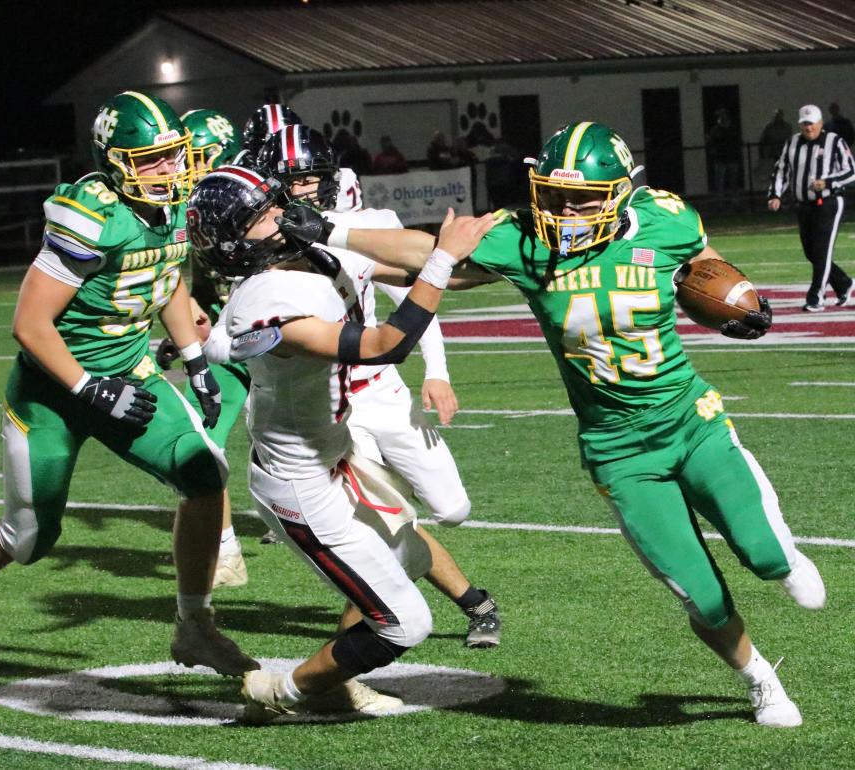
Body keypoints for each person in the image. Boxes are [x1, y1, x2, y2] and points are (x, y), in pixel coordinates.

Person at [283, 121, 827, 728]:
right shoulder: (523, 239)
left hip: (690, 421)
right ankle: (762, 680)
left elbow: (706, 263)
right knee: (698, 592)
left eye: (583, 198)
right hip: (618, 450)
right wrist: (328, 228)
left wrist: (735, 299)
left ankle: (787, 558)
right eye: (555, 195)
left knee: (770, 557)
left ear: (621, 192)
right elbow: (421, 251)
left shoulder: (665, 218)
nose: (566, 211)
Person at [0, 91, 258, 678]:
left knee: (205, 476)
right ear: (117, 162)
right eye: (149, 159)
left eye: (172, 155)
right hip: (53, 390)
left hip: (131, 374)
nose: (167, 170)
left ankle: (195, 626)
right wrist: (86, 389)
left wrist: (195, 359)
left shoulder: (175, 205)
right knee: (28, 536)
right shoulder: (93, 214)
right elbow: (29, 323)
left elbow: (166, 277)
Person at [186, 165, 493, 721]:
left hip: (335, 456)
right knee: (407, 622)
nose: (280, 215)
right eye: (260, 216)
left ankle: (333, 680)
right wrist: (445, 259)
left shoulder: (308, 255)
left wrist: (521, 261)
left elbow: (422, 259)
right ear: (232, 242)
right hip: (299, 485)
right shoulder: (264, 299)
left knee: (407, 550)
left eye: (274, 203)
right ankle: (282, 692)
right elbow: (383, 343)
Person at [258, 123, 502, 648]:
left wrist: (509, 265)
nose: (305, 189)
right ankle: (379, 638)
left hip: (380, 386)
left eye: (313, 178)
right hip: (330, 410)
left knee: (452, 509)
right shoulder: (256, 248)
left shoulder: (357, 229)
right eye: (292, 180)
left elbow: (424, 281)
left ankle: (449, 602)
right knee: (382, 528)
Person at [154, 108, 250, 589]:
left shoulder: (252, 201)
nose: (177, 166)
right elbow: (198, 283)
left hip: (279, 343)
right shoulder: (182, 206)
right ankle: (227, 550)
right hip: (229, 347)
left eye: (186, 155)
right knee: (200, 441)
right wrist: (186, 332)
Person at [768, 104, 855, 311]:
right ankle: (844, 283)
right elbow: (781, 170)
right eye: (805, 124)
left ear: (820, 123)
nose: (809, 128)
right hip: (804, 205)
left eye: (812, 124)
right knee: (812, 253)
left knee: (822, 251)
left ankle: (816, 297)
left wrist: (829, 182)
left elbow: (851, 171)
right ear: (800, 125)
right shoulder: (792, 143)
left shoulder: (835, 142)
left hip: (829, 202)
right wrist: (775, 195)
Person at [705, 108, 742, 198]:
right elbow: (710, 143)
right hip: (720, 159)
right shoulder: (716, 130)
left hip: (732, 158)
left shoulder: (732, 128)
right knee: (720, 183)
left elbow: (738, 141)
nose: (722, 117)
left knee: (733, 182)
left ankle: (735, 202)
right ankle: (721, 203)